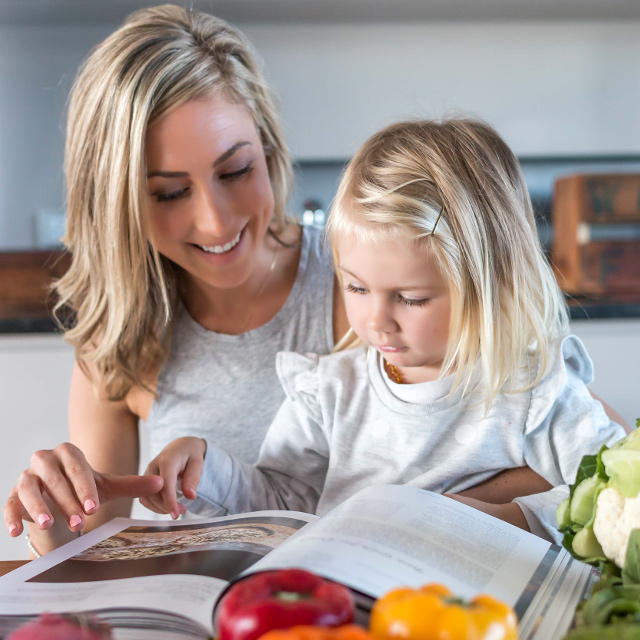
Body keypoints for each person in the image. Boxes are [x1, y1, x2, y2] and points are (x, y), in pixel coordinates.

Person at [2, 7, 559, 558]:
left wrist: (407, 515)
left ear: (268, 149)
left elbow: (600, 469)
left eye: (236, 171)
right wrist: (50, 519)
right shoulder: (119, 341)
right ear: (116, 201)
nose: (216, 223)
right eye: (169, 193)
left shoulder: (374, 291)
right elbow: (94, 555)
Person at [140, 119, 627, 543]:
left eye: (411, 298)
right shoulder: (327, 392)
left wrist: (504, 517)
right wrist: (204, 469)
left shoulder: (533, 391)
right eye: (355, 287)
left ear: (491, 285)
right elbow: (280, 503)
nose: (376, 320)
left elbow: (611, 493)